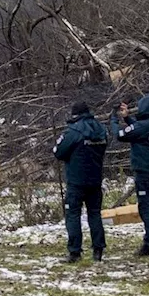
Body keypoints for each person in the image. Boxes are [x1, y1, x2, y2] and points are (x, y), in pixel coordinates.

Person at [53, 101, 109, 263]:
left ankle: (75, 252)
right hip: (95, 179)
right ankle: (98, 249)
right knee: (94, 214)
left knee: (72, 215)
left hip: (76, 181)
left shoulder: (73, 132)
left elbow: (59, 151)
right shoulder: (101, 129)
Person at [112, 95, 149, 256]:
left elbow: (120, 135)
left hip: (143, 169)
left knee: (144, 206)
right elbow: (138, 129)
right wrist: (127, 118)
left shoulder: (144, 126)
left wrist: (114, 121)